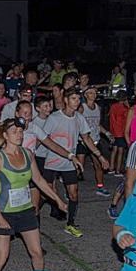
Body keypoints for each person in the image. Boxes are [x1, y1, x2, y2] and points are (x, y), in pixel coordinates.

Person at [0, 118, 67, 271]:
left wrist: (57, 199)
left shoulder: (28, 154)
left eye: (21, 131)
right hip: (4, 212)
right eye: (14, 132)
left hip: (26, 210)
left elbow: (39, 180)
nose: (19, 135)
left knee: (37, 253)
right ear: (5, 135)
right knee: (1, 257)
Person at [41, 87, 109, 237]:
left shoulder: (79, 118)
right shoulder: (54, 118)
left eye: (78, 99)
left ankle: (70, 223)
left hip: (69, 162)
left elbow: (86, 138)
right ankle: (34, 221)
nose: (77, 101)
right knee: (45, 194)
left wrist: (99, 156)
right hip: (52, 161)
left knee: (73, 194)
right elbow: (43, 139)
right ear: (66, 100)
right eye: (73, 98)